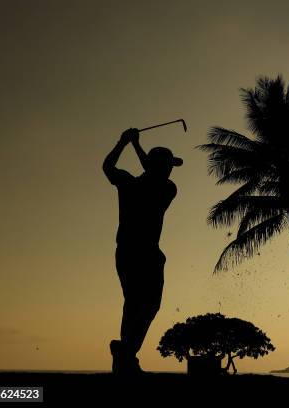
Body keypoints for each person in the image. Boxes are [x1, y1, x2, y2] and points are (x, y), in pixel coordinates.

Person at [102, 128, 182, 374]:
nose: (171, 169)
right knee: (146, 305)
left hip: (127, 252)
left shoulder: (129, 183)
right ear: (162, 167)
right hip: (144, 253)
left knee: (135, 304)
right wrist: (133, 144)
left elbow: (108, 166)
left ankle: (125, 356)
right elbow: (150, 170)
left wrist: (125, 143)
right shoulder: (167, 187)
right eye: (168, 165)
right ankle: (126, 353)